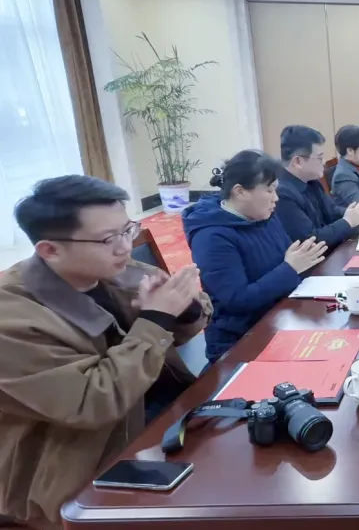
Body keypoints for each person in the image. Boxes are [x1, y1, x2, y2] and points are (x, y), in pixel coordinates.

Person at [0, 175, 210, 528]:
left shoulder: (116, 271)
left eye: (127, 230)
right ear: (50, 250)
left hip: (159, 416)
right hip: (77, 466)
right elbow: (93, 402)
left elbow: (184, 326)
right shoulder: (11, 319)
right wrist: (156, 319)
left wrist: (184, 308)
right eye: (108, 239)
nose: (125, 247)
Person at [183, 150, 328, 364]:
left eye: (275, 189)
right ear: (240, 191)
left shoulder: (263, 214)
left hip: (281, 318)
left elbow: (289, 259)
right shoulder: (211, 237)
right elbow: (237, 300)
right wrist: (290, 268)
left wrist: (299, 263)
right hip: (241, 341)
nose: (276, 198)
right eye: (269, 190)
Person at [276, 125, 359, 247]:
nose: (324, 161)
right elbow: (311, 240)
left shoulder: (311, 181)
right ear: (297, 162)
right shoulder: (283, 194)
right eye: (319, 158)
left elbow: (331, 211)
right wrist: (348, 221)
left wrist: (356, 212)